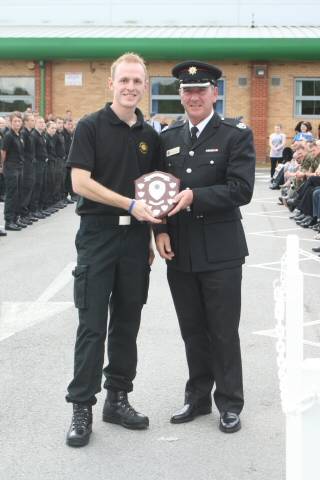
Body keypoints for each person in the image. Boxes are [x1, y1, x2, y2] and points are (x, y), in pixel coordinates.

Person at [65, 52, 161, 447]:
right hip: (98, 235)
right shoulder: (90, 127)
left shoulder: (150, 136)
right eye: (124, 80)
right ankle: (82, 407)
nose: (130, 87)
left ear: (145, 87)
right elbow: (80, 183)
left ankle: (117, 398)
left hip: (136, 241)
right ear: (111, 83)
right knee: (92, 326)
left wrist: (154, 236)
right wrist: (128, 205)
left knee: (127, 322)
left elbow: (155, 187)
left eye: (137, 81)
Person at [155, 61, 255, 433]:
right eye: (187, 91)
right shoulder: (168, 136)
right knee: (192, 329)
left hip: (222, 251)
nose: (194, 97)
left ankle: (229, 403)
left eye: (201, 90)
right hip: (180, 249)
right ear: (180, 96)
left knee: (223, 330)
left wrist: (196, 195)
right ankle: (197, 398)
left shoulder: (235, 134)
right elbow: (158, 187)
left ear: (215, 93)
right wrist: (159, 230)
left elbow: (241, 189)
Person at [1, 111, 26, 231]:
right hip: (10, 168)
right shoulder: (8, 135)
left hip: (19, 167)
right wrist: (2, 165)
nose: (17, 123)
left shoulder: (19, 134)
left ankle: (16, 218)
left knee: (19, 193)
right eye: (15, 121)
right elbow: (3, 152)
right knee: (11, 195)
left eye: (19, 121)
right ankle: (9, 221)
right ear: (10, 122)